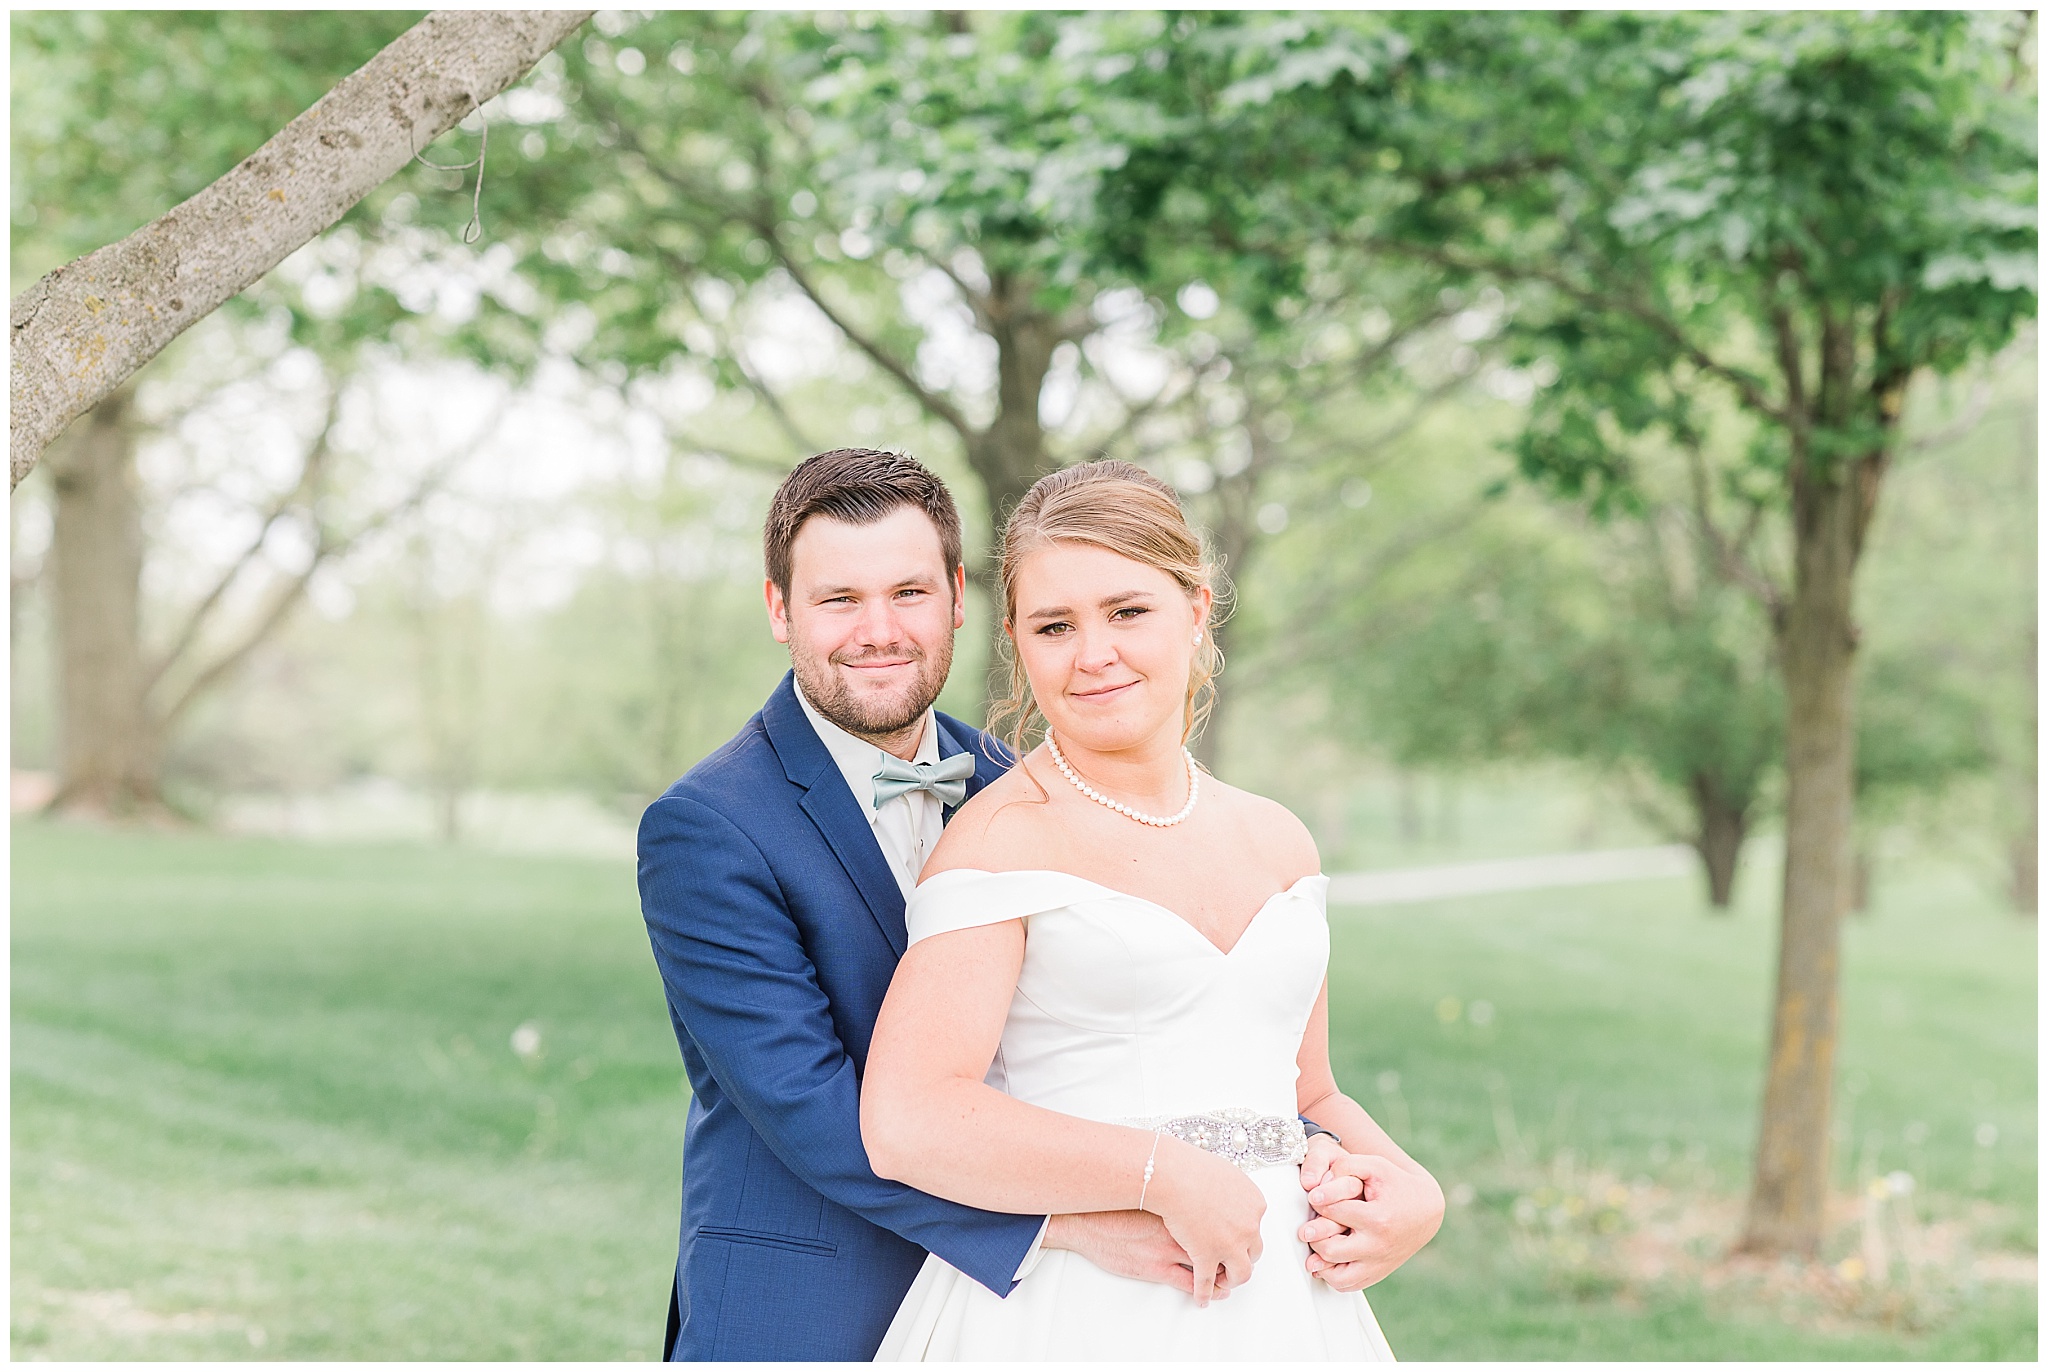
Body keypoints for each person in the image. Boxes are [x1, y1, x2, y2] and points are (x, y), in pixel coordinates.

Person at [637, 449, 1351, 1361]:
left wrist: (1326, 1154)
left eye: (909, 592)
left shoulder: (1031, 785)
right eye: (837, 600)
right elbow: (809, 1106)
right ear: (780, 609)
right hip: (817, 1297)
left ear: (960, 600)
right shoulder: (708, 828)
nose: (879, 629)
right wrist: (1066, 1222)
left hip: (1125, 1289)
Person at [861, 460, 1446, 1360]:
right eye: (1056, 625)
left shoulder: (1279, 839)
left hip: (1285, 1299)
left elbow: (1308, 1091)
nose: (1094, 653)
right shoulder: (999, 842)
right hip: (1088, 1303)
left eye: (1127, 611)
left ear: (1198, 610)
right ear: (1018, 641)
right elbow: (909, 1118)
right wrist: (1158, 1175)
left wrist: (1413, 1192)